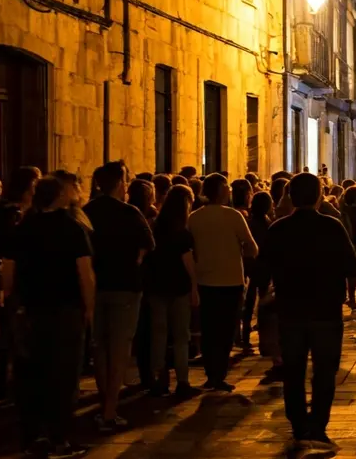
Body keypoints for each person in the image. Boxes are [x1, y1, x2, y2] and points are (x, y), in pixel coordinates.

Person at [262, 173, 356, 454]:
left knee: (293, 371)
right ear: (319, 196)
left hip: (290, 310)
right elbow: (351, 266)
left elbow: (262, 267)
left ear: (290, 196)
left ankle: (298, 427)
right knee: (324, 371)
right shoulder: (332, 226)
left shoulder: (278, 229)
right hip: (326, 310)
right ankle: (318, 427)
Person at [13, 176, 95, 459]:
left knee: (35, 373)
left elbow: (10, 271)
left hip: (33, 309)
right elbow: (85, 272)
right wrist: (90, 308)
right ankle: (60, 440)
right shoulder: (71, 228)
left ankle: (33, 436)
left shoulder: (25, 227)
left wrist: (16, 303)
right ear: (60, 196)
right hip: (65, 309)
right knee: (64, 376)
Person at [82, 161, 155, 431]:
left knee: (100, 347)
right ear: (119, 183)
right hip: (125, 286)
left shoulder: (86, 212)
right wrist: (135, 259)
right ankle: (110, 411)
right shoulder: (129, 212)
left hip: (96, 287)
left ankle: (105, 403)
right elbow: (147, 245)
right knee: (119, 349)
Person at [188, 174, 258, 391]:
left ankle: (211, 373)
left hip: (205, 279)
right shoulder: (233, 216)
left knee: (209, 328)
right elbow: (252, 247)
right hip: (230, 279)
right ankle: (219, 374)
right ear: (220, 191)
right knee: (227, 329)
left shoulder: (194, 218)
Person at [0, 166, 41, 403]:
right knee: (13, 332)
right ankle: (7, 382)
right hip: (11, 277)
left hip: (5, 275)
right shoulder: (13, 213)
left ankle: (3, 381)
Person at [145, 185, 200, 397]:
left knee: (158, 335)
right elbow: (188, 263)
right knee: (180, 337)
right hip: (179, 288)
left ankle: (159, 378)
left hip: (157, 287)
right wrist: (194, 287)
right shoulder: (182, 233)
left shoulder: (155, 227)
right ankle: (183, 381)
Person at [243, 192, 274, 355]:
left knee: (249, 301)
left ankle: (245, 336)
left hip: (250, 263)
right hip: (262, 264)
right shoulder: (268, 222)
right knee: (263, 302)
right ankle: (263, 339)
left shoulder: (250, 222)